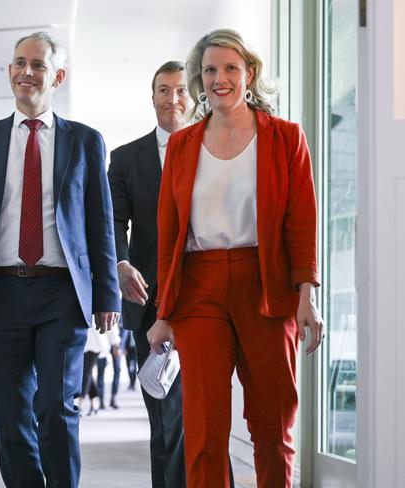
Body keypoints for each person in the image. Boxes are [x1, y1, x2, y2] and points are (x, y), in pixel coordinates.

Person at [0, 32, 120, 488]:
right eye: (19, 63)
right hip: (0, 292)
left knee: (56, 407)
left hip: (63, 291)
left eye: (38, 64)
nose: (27, 71)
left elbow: (100, 223)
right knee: (11, 410)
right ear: (9, 72)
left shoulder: (85, 141)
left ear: (56, 75)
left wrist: (108, 294)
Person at [148, 29, 325, 488]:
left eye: (230, 68)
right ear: (199, 79)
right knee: (204, 433)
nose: (219, 78)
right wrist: (164, 312)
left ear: (250, 74)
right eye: (210, 70)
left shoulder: (286, 138)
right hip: (199, 290)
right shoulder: (183, 146)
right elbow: (169, 238)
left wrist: (308, 295)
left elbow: (302, 224)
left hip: (266, 285)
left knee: (272, 426)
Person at [108, 61, 189, 488]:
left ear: (192, 98)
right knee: (166, 417)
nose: (171, 99)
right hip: (151, 304)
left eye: (180, 91)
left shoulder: (212, 149)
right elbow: (112, 224)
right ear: (152, 96)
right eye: (163, 90)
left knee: (203, 416)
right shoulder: (125, 159)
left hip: (207, 300)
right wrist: (121, 263)